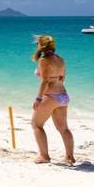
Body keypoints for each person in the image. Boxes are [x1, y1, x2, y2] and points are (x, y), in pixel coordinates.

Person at [30, 35, 75, 165]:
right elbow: (62, 78)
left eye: (37, 44)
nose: (36, 46)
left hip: (51, 96)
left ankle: (44, 156)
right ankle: (69, 157)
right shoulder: (60, 59)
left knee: (36, 125)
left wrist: (39, 98)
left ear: (41, 45)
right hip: (63, 95)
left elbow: (44, 81)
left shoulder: (44, 60)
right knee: (63, 128)